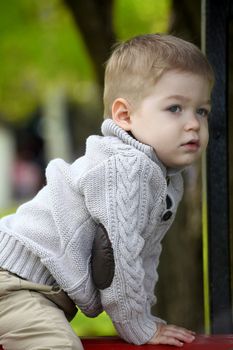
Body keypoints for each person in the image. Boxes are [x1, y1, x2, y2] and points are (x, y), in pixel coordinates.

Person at [0, 33, 214, 350]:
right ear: (124, 116)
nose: (193, 124)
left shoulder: (164, 177)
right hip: (14, 283)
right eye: (174, 108)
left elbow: (145, 257)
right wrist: (138, 326)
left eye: (202, 111)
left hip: (27, 287)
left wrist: (145, 315)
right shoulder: (127, 168)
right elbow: (118, 261)